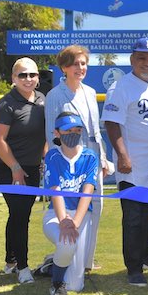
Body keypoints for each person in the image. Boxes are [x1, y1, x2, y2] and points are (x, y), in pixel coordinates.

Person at [102, 37, 148, 287]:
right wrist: (122, 155)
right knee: (133, 218)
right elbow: (111, 122)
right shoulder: (121, 87)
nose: (146, 62)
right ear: (132, 59)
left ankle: (146, 255)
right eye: (141, 57)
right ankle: (133, 268)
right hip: (132, 165)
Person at [45, 45, 112, 273]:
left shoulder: (90, 92)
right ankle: (68, 257)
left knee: (96, 208)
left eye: (83, 63)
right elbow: (50, 133)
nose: (80, 68)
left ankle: (87, 260)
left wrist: (102, 158)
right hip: (70, 159)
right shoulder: (55, 95)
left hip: (91, 158)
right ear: (64, 67)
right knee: (73, 207)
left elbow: (95, 130)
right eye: (75, 64)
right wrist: (59, 161)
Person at [0, 57, 47, 285]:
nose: (28, 79)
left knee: (19, 214)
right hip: (6, 168)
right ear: (13, 78)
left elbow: (42, 134)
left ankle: (10, 261)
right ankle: (23, 268)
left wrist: (43, 156)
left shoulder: (43, 99)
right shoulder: (6, 104)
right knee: (21, 214)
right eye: (22, 75)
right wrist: (15, 168)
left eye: (32, 74)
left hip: (31, 168)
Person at [42, 112, 98, 295]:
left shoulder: (90, 156)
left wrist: (75, 222)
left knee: (76, 285)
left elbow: (87, 192)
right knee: (67, 244)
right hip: (56, 213)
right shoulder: (52, 156)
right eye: (67, 130)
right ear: (57, 133)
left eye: (77, 130)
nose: (73, 134)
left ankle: (52, 264)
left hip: (81, 216)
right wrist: (64, 220)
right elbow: (55, 191)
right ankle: (56, 284)